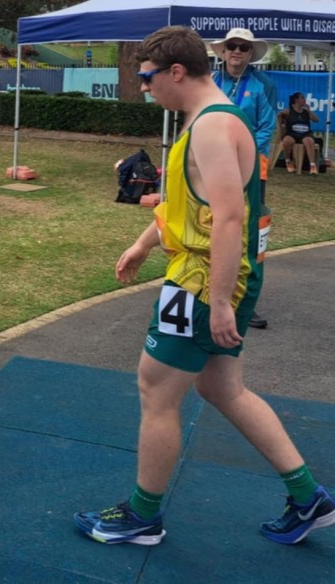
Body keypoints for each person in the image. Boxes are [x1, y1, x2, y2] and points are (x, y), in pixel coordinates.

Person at [74, 26, 334, 548]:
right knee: (220, 387)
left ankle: (143, 516)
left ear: (175, 72)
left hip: (200, 280)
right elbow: (191, 202)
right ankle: (308, 497)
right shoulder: (207, 119)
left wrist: (218, 302)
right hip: (202, 274)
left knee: (156, 388)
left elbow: (230, 218)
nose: (144, 88)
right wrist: (147, 242)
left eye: (146, 77)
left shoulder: (213, 126)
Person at [211, 28, 276, 330]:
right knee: (211, 226)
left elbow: (266, 127)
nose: (237, 51)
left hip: (250, 171)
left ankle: (246, 302)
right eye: (232, 46)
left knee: (250, 233)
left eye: (244, 48)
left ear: (251, 54)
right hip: (213, 167)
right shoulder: (210, 81)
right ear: (223, 51)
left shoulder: (263, 85)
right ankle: (211, 293)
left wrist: (241, 157)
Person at [279, 92, 320, 174]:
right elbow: (279, 116)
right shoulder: (288, 111)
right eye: (302, 98)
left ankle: (312, 165)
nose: (304, 100)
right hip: (292, 133)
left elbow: (316, 120)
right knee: (287, 141)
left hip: (305, 133)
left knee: (308, 141)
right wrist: (281, 126)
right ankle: (288, 161)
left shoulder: (306, 112)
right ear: (296, 100)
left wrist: (309, 111)